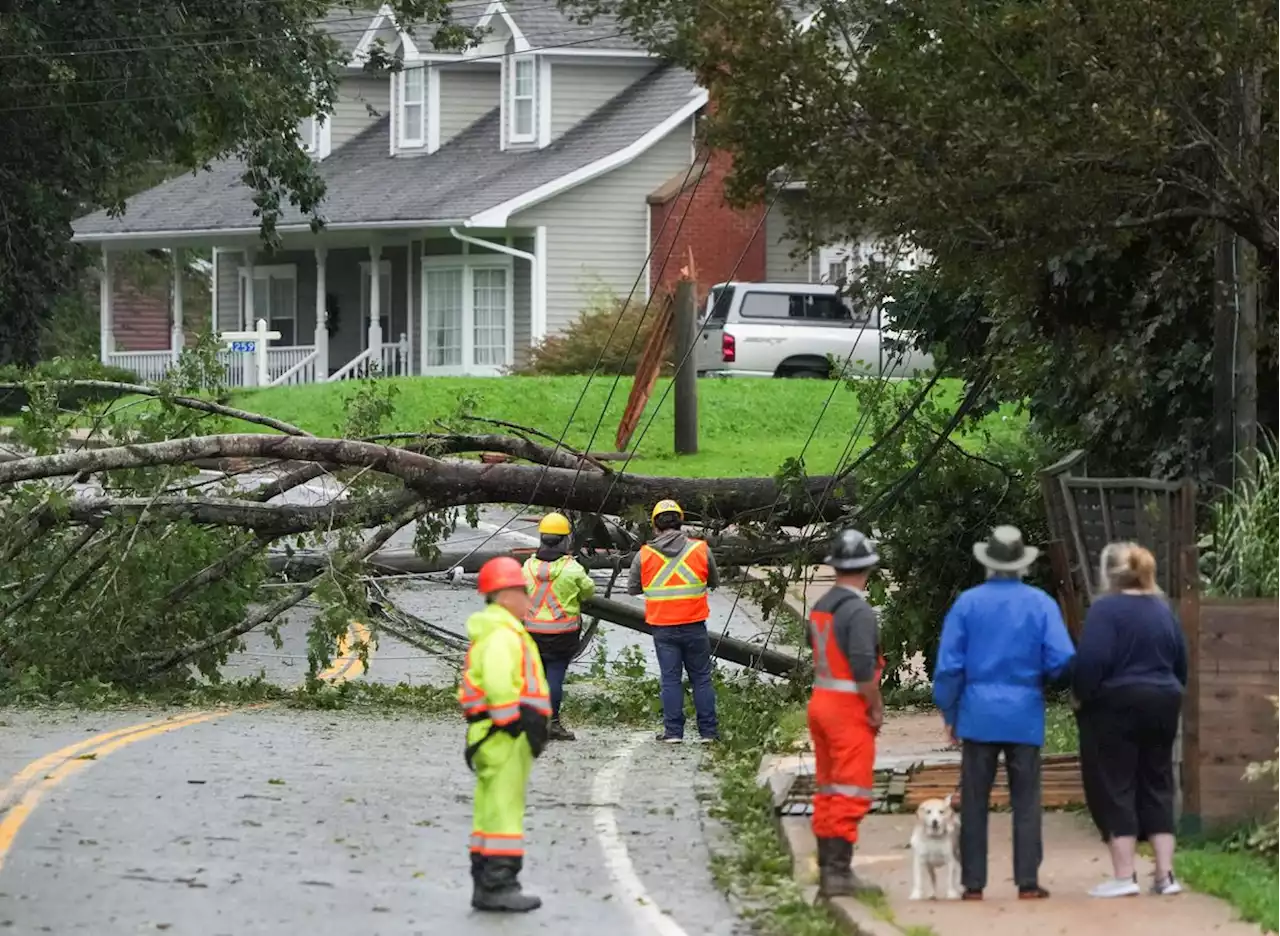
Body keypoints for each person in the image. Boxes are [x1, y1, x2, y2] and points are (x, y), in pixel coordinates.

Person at [933, 525, 1076, 901]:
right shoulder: (1041, 603)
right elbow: (1062, 660)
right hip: (1024, 715)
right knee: (1026, 800)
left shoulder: (967, 604)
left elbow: (949, 667)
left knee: (976, 799)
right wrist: (1042, 679)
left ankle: (973, 883)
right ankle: (1027, 881)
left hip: (977, 715)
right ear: (1021, 565)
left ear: (989, 563)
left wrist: (950, 710)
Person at [1073, 542, 1188, 898]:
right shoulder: (1162, 609)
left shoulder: (1106, 610)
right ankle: (1165, 876)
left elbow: (1091, 662)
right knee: (1158, 782)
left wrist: (1082, 696)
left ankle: (1124, 877)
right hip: (1164, 701)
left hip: (1116, 705)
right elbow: (1180, 661)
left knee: (1115, 783)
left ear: (1108, 575)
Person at [458, 556, 552, 913]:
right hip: (504, 736)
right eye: (523, 591)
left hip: (492, 734)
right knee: (504, 809)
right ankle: (499, 884)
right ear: (505, 594)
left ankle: (485, 881)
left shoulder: (494, 630)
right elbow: (500, 682)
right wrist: (514, 722)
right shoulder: (503, 635)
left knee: (489, 810)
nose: (528, 598)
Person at [807, 528, 886, 897]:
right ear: (869, 566)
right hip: (846, 708)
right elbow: (861, 667)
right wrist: (875, 707)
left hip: (820, 701)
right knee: (852, 787)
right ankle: (838, 874)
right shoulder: (859, 611)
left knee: (828, 786)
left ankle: (828, 868)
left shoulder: (822, 606)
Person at [627, 499, 721, 743]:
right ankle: (708, 732)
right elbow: (713, 581)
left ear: (655, 526)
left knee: (670, 679)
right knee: (701, 678)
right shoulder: (700, 549)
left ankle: (673, 732)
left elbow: (633, 588)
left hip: (663, 628)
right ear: (681, 522)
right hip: (694, 625)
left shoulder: (644, 555)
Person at [522, 512, 596, 741]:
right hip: (562, 634)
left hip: (532, 632)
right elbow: (589, 591)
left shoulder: (528, 567)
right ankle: (552, 723)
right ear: (565, 541)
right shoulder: (572, 569)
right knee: (555, 676)